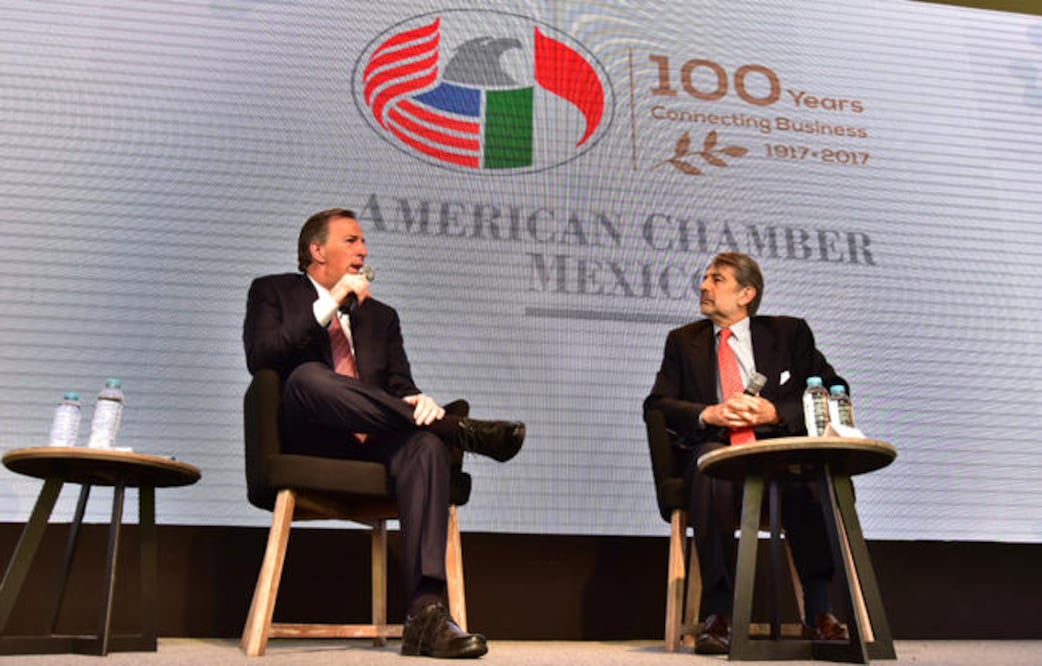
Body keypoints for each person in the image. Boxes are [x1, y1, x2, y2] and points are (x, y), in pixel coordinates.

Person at [243, 208, 526, 659]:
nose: (364, 251)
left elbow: (399, 387)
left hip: (374, 439)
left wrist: (420, 401)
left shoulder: (382, 317)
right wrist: (331, 302)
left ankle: (427, 615)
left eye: (363, 242)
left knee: (426, 445)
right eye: (352, 240)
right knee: (306, 376)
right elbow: (261, 357)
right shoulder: (272, 291)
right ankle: (461, 431)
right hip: (310, 431)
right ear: (317, 250)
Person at [644, 252, 850, 655]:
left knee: (808, 477)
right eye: (704, 278)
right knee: (709, 473)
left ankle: (820, 611)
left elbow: (833, 386)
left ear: (746, 294)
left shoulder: (789, 333)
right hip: (720, 447)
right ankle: (719, 614)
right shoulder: (684, 342)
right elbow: (658, 405)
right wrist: (710, 412)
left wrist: (777, 411)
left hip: (777, 446)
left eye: (716, 279)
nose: (703, 285)